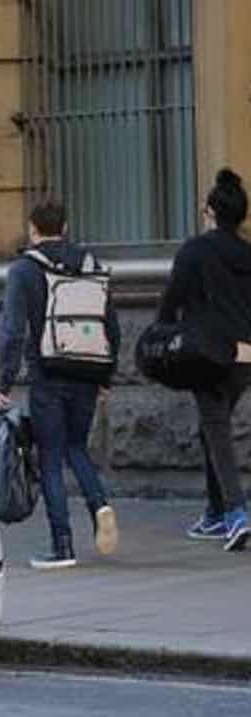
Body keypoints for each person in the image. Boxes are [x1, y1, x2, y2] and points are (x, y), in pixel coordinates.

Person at [0, 199, 121, 569]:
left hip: (48, 373)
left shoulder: (24, 269)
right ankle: (100, 505)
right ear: (64, 228)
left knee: (50, 457)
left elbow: (12, 331)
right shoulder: (90, 264)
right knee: (76, 447)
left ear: (32, 229)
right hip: (87, 371)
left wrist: (4, 381)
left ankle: (62, 545)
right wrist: (106, 375)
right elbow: (110, 326)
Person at [157, 168, 251, 552]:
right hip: (246, 357)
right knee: (211, 426)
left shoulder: (194, 251)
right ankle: (214, 513)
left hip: (209, 354)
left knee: (216, 430)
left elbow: (172, 300)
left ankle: (236, 513)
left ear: (210, 211)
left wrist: (159, 335)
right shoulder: (247, 253)